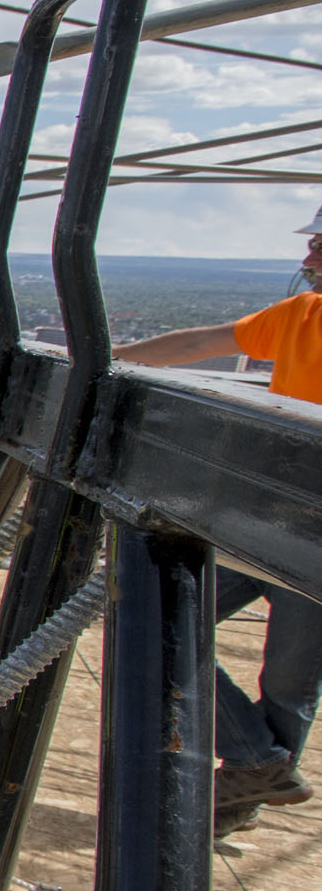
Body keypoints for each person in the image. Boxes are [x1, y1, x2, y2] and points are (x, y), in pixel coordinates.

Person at [113, 202, 322, 835]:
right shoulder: (300, 316)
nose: (308, 259)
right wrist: (111, 356)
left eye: (320, 246)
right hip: (266, 519)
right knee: (158, 618)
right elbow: (202, 343)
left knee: (289, 679)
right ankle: (258, 762)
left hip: (311, 537)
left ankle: (237, 800)